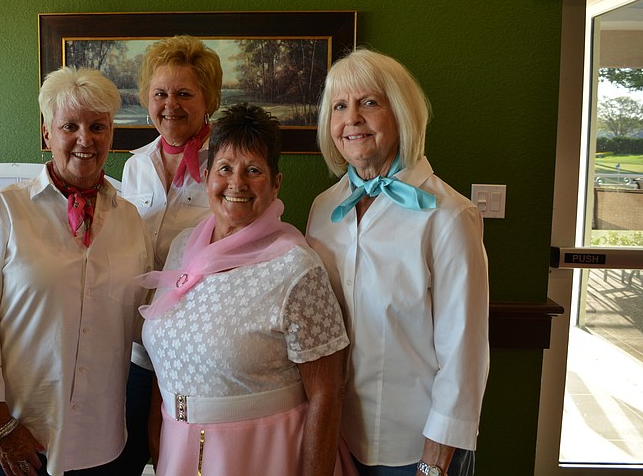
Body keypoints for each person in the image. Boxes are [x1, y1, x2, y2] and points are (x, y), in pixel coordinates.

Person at [0, 66, 153, 476]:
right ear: (46, 134)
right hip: (20, 439)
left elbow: (144, 328)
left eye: (97, 126)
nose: (84, 140)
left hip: (103, 442)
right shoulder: (3, 212)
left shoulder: (131, 222)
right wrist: (1, 428)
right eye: (69, 126)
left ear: (111, 133)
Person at [306, 49, 489, 476]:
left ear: (402, 113)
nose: (351, 118)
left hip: (415, 448)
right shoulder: (324, 209)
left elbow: (465, 350)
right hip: (335, 437)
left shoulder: (449, 215)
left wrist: (435, 460)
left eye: (369, 102)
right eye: (339, 106)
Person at [141, 102, 349, 476]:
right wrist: (159, 447)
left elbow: (327, 393)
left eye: (253, 170)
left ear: (276, 184)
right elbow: (164, 361)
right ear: (206, 177)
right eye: (225, 168)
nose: (237, 183)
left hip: (263, 451)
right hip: (179, 448)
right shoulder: (181, 248)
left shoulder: (297, 268)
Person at [117, 35, 223, 474]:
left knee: (177, 462)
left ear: (208, 101)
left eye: (184, 93)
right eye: (160, 93)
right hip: (136, 350)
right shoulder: (134, 165)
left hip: (194, 353)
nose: (170, 104)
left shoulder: (226, 166)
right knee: (121, 457)